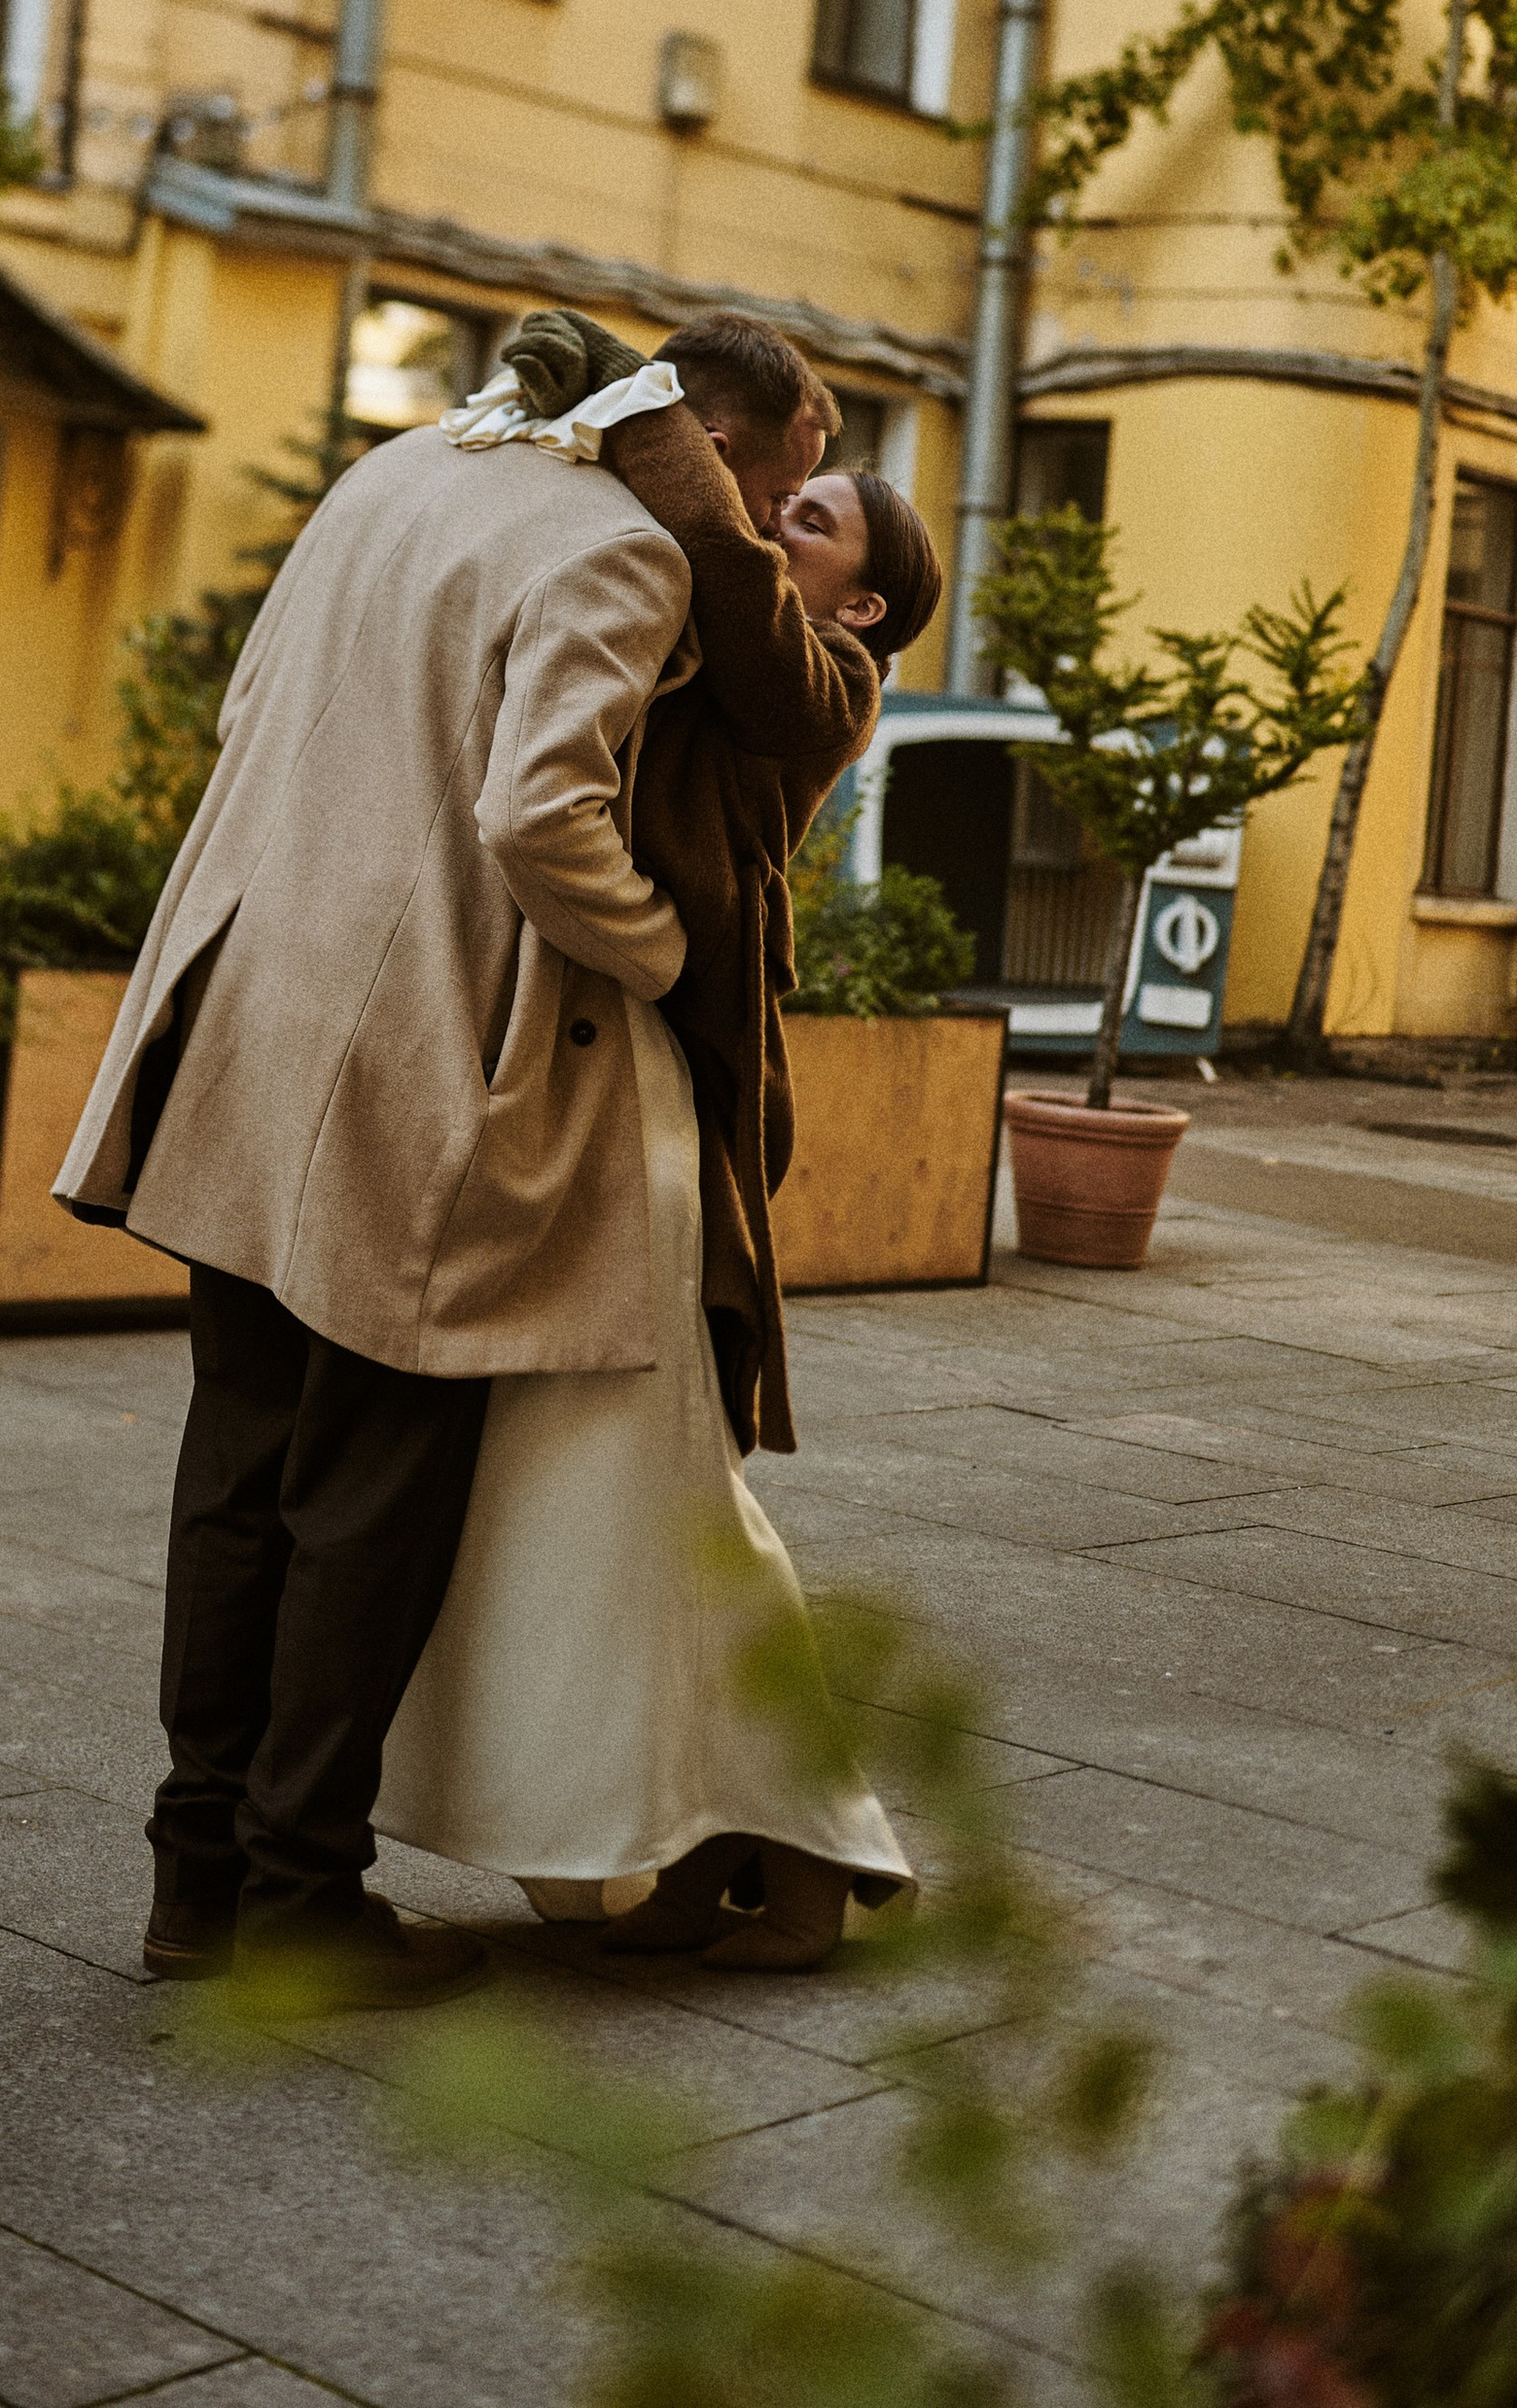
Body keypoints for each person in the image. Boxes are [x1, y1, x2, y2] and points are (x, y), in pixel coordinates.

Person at [51, 321, 826, 2015]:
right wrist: (667, 963)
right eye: (767, 499)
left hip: (247, 1011)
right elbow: (542, 817)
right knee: (368, 1494)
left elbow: (261, 704)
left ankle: (197, 1878)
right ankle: (302, 1898)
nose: (759, 542)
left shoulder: (396, 471)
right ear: (707, 450)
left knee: (240, 1463)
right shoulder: (627, 553)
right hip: (423, 1057)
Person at [376, 311, 944, 1974]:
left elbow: (703, 532)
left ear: (862, 608)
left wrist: (639, 402)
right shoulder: (745, 631)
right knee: (637, 1503)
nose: (784, 513)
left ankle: (819, 1847)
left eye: (821, 519)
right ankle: (703, 1849)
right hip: (613, 1082)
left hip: (668, 1101)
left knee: (680, 1493)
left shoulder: (823, 679)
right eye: (800, 486)